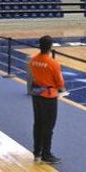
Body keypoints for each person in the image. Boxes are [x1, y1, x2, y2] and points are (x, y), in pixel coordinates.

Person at [27, 35, 66, 164]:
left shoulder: (33, 60)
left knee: (38, 123)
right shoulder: (53, 64)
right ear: (50, 47)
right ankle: (46, 154)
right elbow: (60, 83)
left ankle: (37, 151)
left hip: (36, 95)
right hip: (49, 97)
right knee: (48, 126)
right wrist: (61, 89)